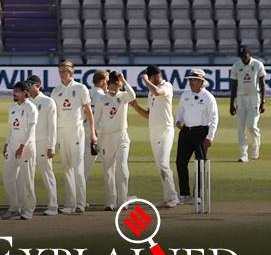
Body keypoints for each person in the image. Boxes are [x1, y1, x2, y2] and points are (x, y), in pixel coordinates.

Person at [130, 65, 180, 208]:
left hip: (166, 129)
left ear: (154, 76)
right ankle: (167, 198)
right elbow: (148, 114)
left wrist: (145, 80)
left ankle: (173, 197)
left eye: (149, 77)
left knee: (164, 164)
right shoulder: (150, 92)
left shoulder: (167, 86)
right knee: (160, 166)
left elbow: (158, 92)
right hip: (154, 131)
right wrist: (135, 106)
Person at [50, 61, 97, 214]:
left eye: (65, 71)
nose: (62, 73)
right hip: (62, 132)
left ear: (72, 73)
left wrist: (93, 133)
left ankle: (81, 203)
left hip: (77, 130)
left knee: (78, 167)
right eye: (61, 71)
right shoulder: (55, 91)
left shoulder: (81, 88)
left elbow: (88, 111)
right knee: (66, 167)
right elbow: (54, 116)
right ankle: (70, 204)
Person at [175, 69, 219, 205]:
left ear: (201, 82)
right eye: (190, 80)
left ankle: (199, 195)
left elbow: (214, 118)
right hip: (186, 132)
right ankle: (184, 194)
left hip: (201, 133)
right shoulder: (185, 95)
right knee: (180, 162)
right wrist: (178, 120)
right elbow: (181, 110)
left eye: (193, 80)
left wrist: (210, 137)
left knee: (200, 164)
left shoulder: (208, 97)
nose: (190, 82)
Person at [94, 71, 135, 210]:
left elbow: (133, 96)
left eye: (117, 85)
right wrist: (97, 136)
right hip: (106, 138)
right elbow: (96, 120)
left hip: (121, 136)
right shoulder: (101, 99)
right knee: (108, 169)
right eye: (111, 84)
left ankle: (123, 200)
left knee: (122, 168)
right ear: (108, 84)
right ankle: (111, 201)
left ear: (119, 85)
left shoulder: (123, 96)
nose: (113, 88)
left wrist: (124, 80)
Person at [1, 82, 38, 220]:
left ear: (25, 93)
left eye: (17, 91)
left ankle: (28, 210)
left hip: (26, 148)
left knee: (27, 179)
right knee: (8, 177)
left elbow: (31, 130)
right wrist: (6, 144)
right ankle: (14, 207)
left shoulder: (31, 108)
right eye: (13, 90)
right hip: (12, 146)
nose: (14, 93)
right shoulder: (12, 107)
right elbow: (11, 128)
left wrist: (22, 146)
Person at [26, 75, 58, 216]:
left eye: (30, 84)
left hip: (43, 142)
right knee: (27, 175)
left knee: (47, 173)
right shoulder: (25, 102)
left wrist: (51, 146)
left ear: (38, 85)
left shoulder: (48, 102)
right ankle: (27, 206)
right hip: (28, 143)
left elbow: (52, 126)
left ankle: (53, 206)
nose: (28, 87)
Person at [230, 47, 266, 162]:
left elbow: (262, 84)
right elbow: (234, 86)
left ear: (249, 54)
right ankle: (243, 154)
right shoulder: (236, 66)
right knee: (240, 128)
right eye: (241, 56)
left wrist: (263, 102)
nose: (244, 59)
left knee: (252, 126)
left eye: (245, 56)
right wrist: (231, 104)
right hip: (241, 99)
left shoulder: (258, 64)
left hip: (254, 98)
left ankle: (255, 148)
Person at [84, 70, 108, 187]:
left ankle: (78, 200)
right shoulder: (104, 97)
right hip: (100, 136)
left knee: (83, 169)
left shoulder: (86, 93)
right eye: (107, 81)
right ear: (103, 81)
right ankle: (119, 199)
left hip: (84, 133)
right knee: (110, 167)